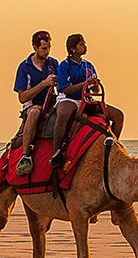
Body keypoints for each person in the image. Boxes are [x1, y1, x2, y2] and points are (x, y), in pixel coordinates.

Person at [50, 33, 124, 166]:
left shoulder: (88, 66)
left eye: (84, 43)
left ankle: (112, 147)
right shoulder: (64, 66)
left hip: (87, 99)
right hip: (69, 99)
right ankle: (56, 151)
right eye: (81, 44)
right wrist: (85, 84)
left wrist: (94, 85)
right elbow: (64, 88)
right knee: (64, 114)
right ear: (73, 48)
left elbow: (94, 91)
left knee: (118, 115)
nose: (85, 46)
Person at [13, 30, 58, 175]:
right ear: (35, 47)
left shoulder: (53, 64)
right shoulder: (25, 67)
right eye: (44, 48)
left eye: (49, 48)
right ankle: (25, 156)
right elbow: (23, 97)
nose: (47, 52)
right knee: (34, 112)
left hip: (53, 103)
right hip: (33, 105)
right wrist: (44, 84)